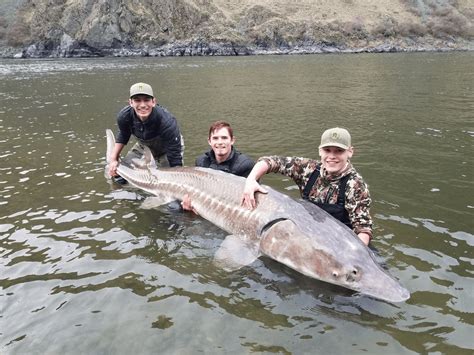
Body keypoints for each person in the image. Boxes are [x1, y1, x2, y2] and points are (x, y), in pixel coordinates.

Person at [241, 127, 373, 245]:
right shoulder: (308, 169)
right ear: (320, 151)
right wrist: (251, 180)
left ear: (350, 152)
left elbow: (363, 230)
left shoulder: (356, 185)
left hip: (341, 244)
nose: (332, 156)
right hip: (309, 235)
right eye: (327, 150)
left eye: (339, 151)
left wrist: (350, 257)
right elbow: (271, 161)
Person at [108, 82, 184, 183]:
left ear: (154, 102)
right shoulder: (124, 116)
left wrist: (178, 182)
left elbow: (175, 158)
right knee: (120, 176)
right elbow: (123, 135)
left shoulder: (166, 121)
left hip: (167, 149)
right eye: (137, 100)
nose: (142, 105)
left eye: (146, 100)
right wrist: (113, 159)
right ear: (131, 102)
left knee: (168, 181)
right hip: (143, 146)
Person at [181, 121, 254, 212]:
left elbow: (250, 200)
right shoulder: (201, 161)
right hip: (206, 205)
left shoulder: (245, 164)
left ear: (232, 140)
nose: (220, 142)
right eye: (215, 138)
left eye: (224, 138)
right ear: (209, 141)